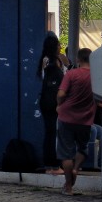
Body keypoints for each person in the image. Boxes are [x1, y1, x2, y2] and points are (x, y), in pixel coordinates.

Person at [56, 48, 95, 196]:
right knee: (82, 148)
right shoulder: (96, 76)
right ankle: (76, 168)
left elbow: (61, 93)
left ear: (78, 59)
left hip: (66, 117)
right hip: (85, 119)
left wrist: (59, 105)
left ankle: (68, 186)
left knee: (66, 153)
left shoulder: (71, 74)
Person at [36, 31, 67, 173]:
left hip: (47, 101)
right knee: (53, 134)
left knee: (50, 133)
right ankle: (53, 165)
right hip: (53, 102)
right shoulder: (52, 63)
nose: (60, 46)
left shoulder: (47, 60)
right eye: (58, 44)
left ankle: (51, 164)